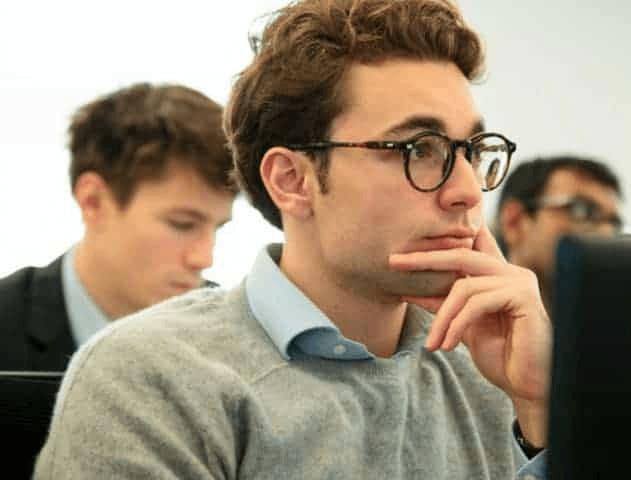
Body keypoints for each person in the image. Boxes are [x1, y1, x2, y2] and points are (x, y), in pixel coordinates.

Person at [34, 1, 551, 478]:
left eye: (472, 150)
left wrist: (544, 412)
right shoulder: (152, 377)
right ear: (292, 180)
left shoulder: (496, 374)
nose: (466, 190)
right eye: (420, 148)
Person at [0, 83, 236, 372]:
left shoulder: (235, 340)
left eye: (218, 229)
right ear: (93, 201)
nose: (204, 259)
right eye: (182, 225)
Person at [492, 156, 626, 313]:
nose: (606, 232)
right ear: (514, 222)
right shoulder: (463, 332)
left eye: (614, 224)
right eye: (582, 210)